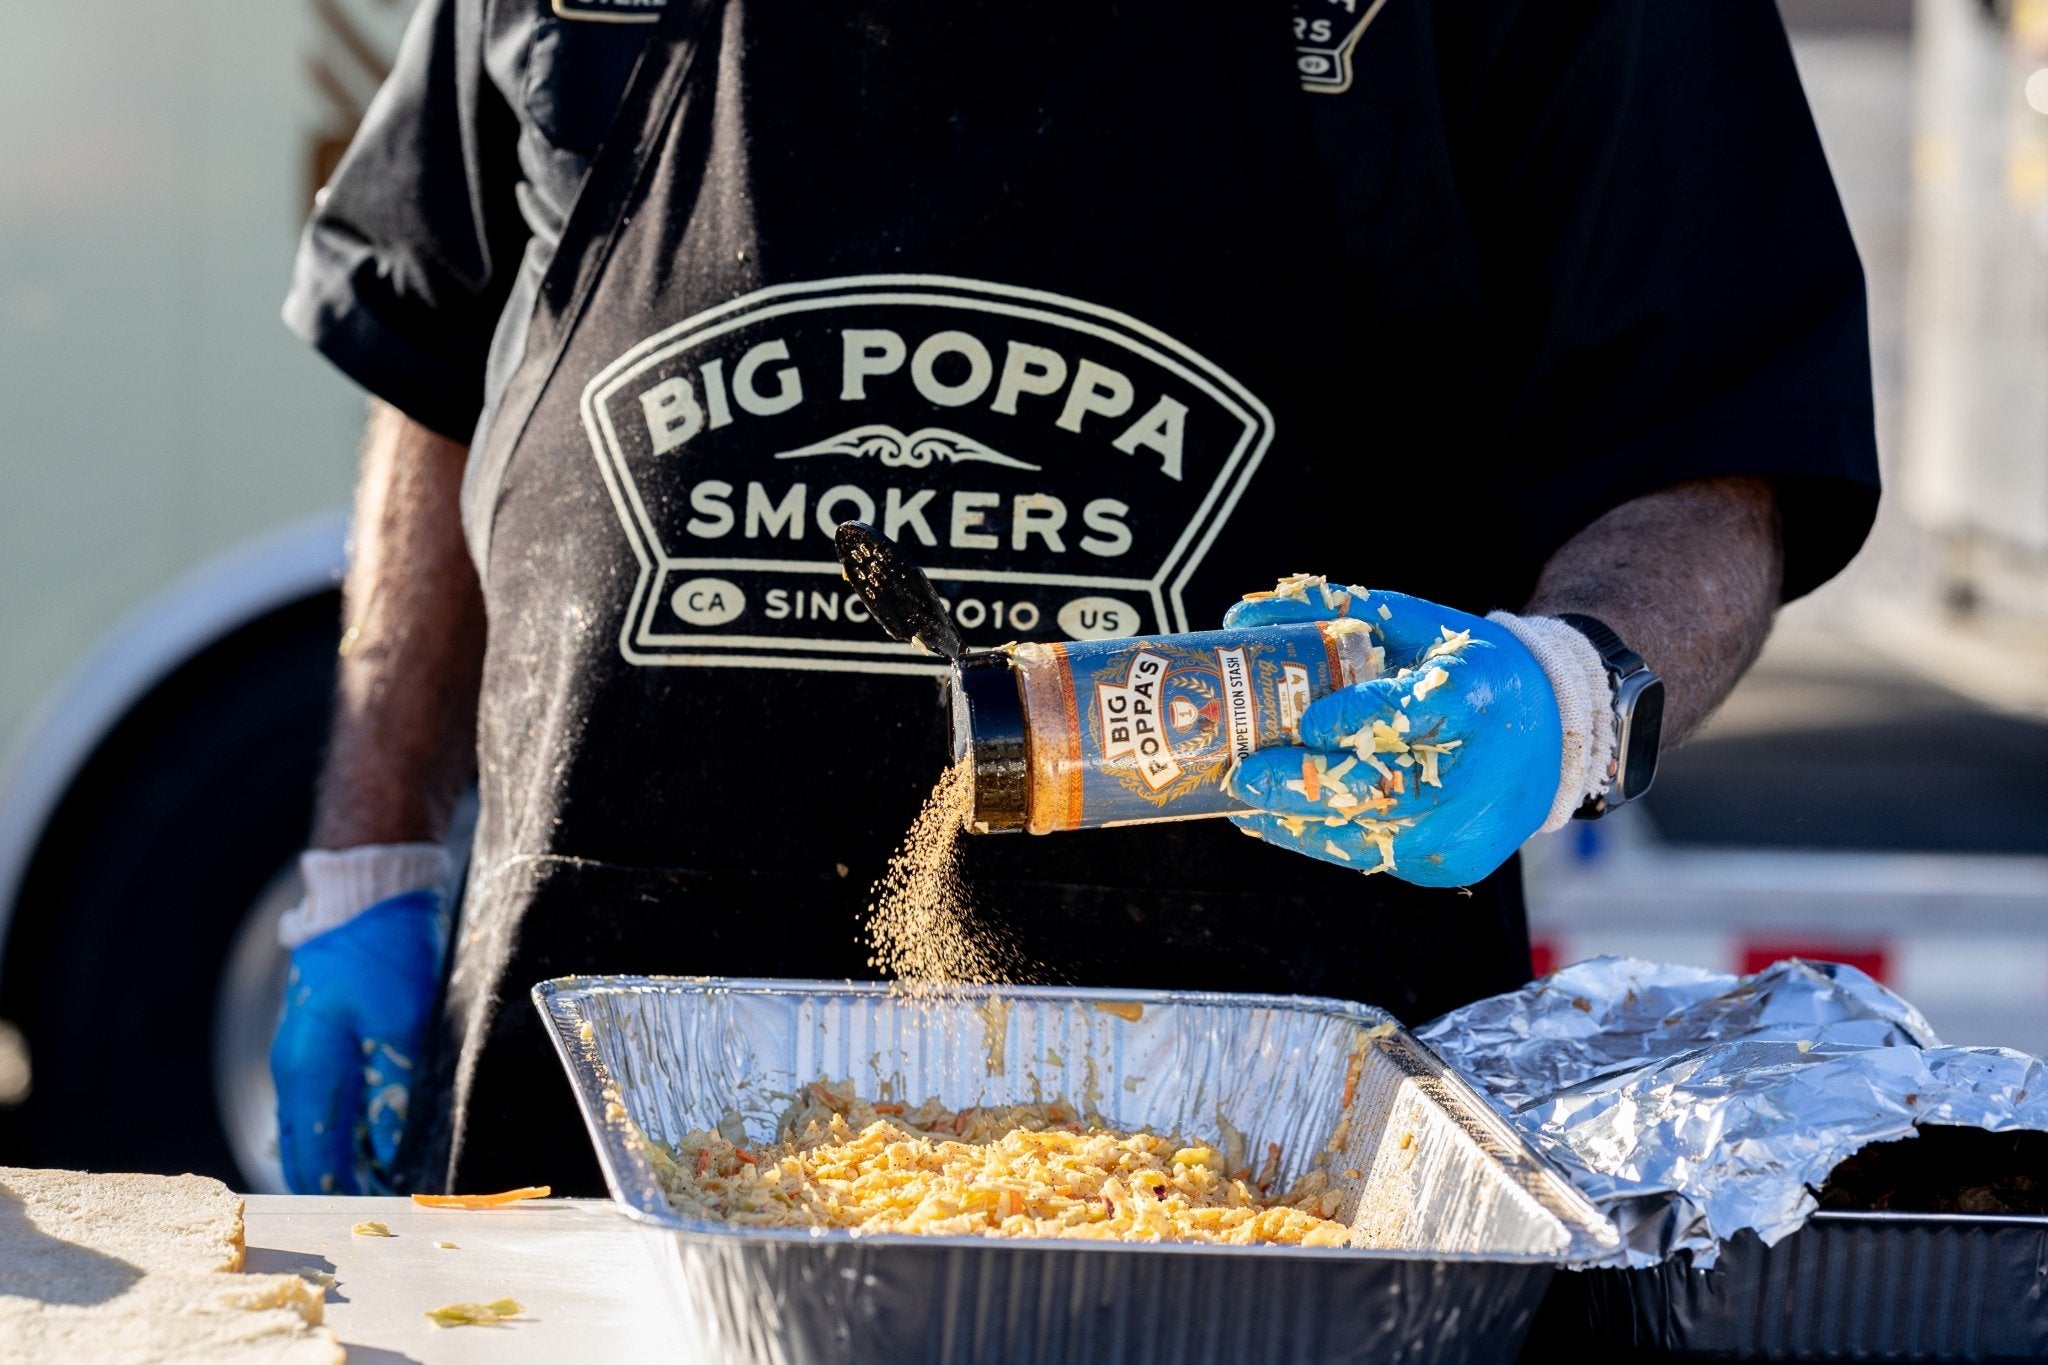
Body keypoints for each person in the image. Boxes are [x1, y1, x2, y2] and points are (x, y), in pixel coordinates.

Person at [271, 0, 1879, 1197]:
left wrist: (1566, 694)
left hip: (1260, 1177)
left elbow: (1706, 457)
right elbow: (436, 347)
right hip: (585, 1110)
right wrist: (367, 863)